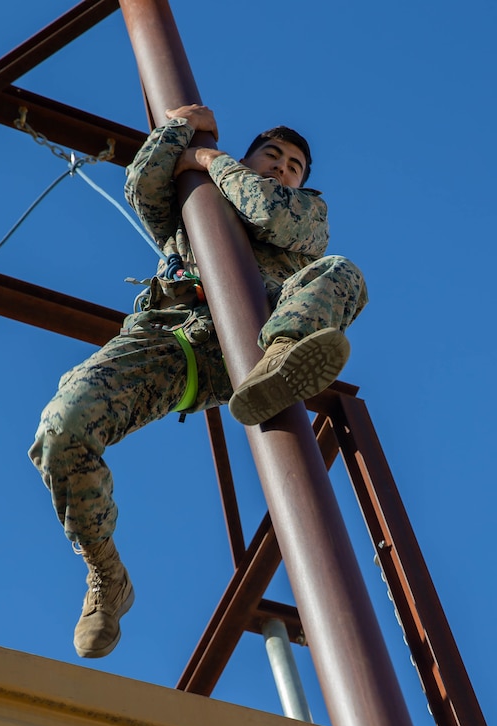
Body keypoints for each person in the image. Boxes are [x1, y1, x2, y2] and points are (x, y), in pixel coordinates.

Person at [28, 105, 368, 660]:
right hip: (168, 338)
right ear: (252, 151)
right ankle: (106, 576)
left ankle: (283, 359)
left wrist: (213, 159)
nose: (282, 169)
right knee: (61, 429)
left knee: (342, 272)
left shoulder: (307, 214)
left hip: (251, 339)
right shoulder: (194, 206)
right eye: (273, 155)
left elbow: (269, 215)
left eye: (295, 166)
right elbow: (143, 187)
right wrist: (178, 130)